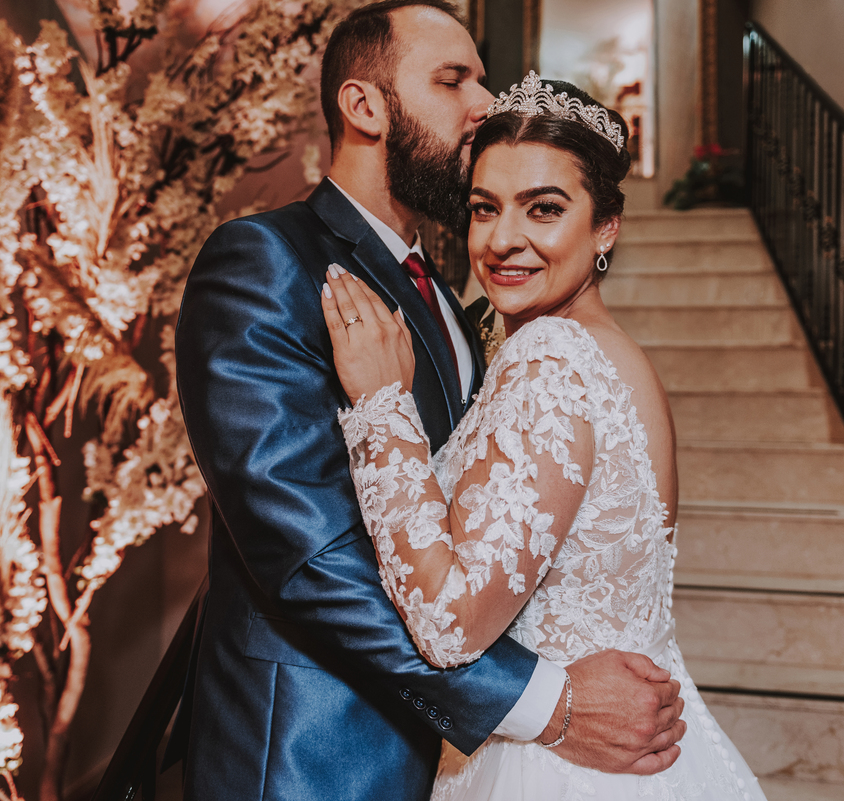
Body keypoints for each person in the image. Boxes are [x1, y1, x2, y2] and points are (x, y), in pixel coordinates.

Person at [175, 3, 685, 799]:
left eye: (482, 79)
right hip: (313, 757)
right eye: (453, 81)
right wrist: (542, 700)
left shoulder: (455, 300)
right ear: (364, 106)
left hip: (450, 753)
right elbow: (311, 555)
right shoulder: (265, 262)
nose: (485, 102)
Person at [318, 73, 767, 800]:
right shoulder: (614, 355)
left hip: (556, 764)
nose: (503, 240)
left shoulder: (551, 357)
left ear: (606, 226)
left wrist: (381, 407)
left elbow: (449, 624)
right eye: (484, 208)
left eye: (545, 208)